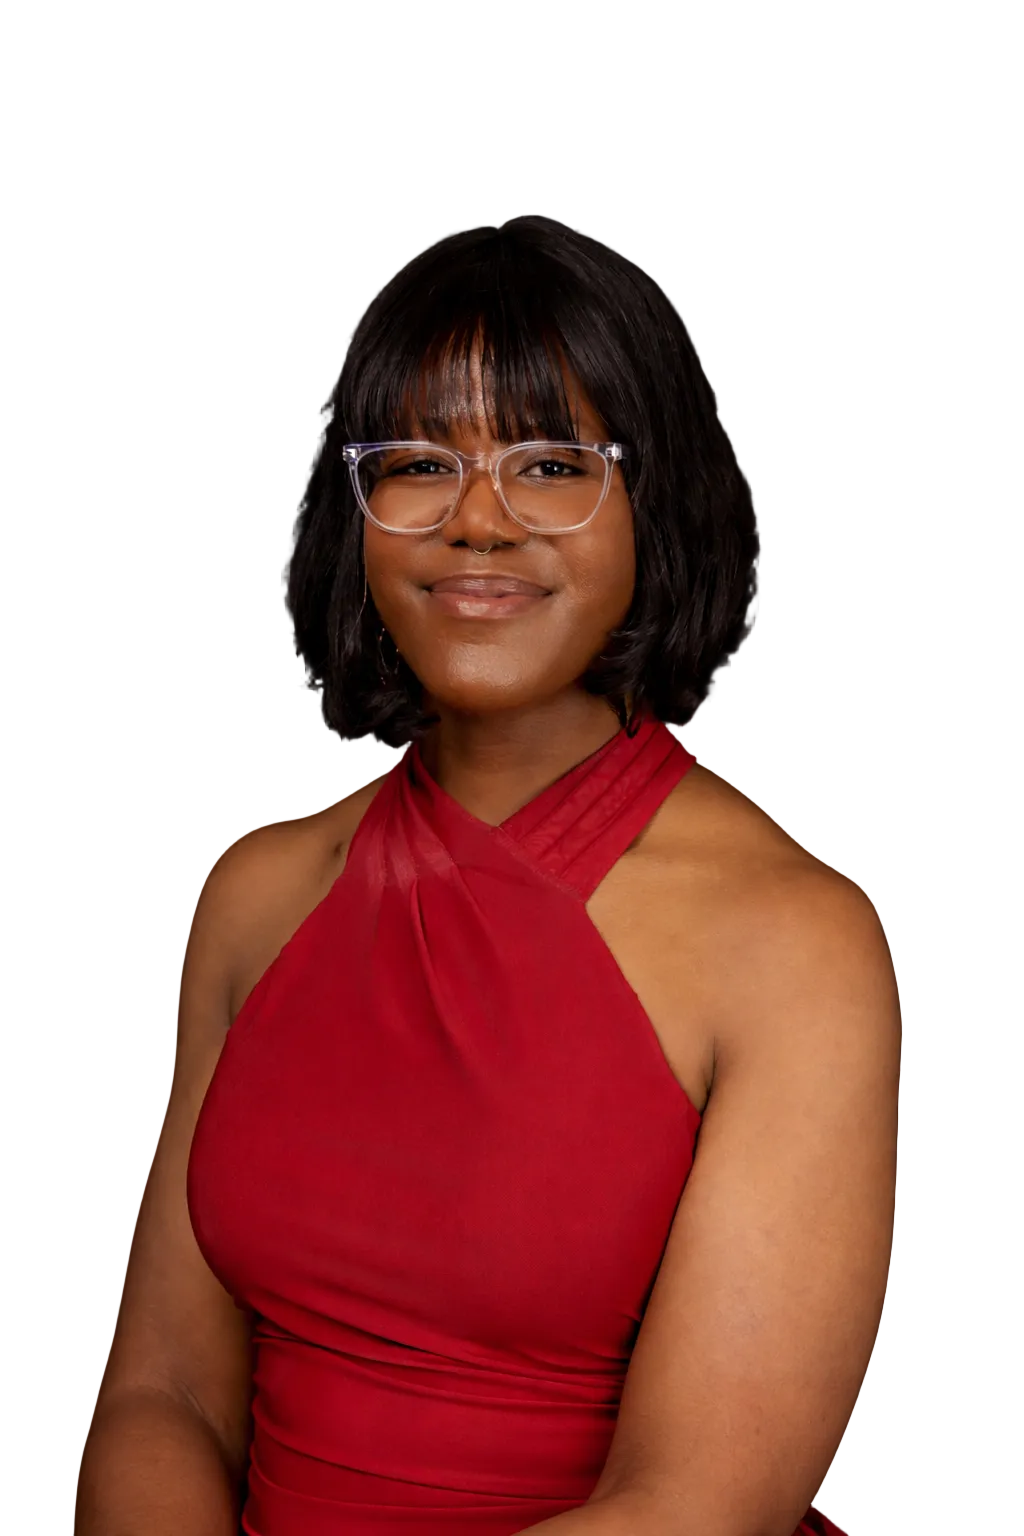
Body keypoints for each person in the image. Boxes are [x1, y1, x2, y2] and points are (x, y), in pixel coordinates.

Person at [74, 216, 901, 1536]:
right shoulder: (256, 892)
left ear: (654, 499)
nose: (477, 521)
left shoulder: (797, 942)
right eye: (417, 464)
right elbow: (161, 1396)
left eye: (552, 463)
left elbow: (697, 1508)